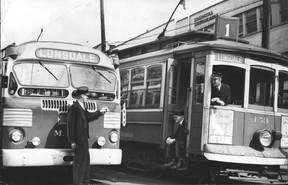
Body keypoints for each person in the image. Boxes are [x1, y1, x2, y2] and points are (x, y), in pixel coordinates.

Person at [67, 86, 108, 185]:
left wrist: (100, 112)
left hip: (84, 138)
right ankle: (78, 182)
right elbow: (70, 125)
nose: (87, 97)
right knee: (79, 163)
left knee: (85, 161)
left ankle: (84, 182)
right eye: (86, 95)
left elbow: (88, 117)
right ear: (81, 96)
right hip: (78, 139)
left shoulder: (82, 106)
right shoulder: (74, 107)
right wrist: (72, 141)